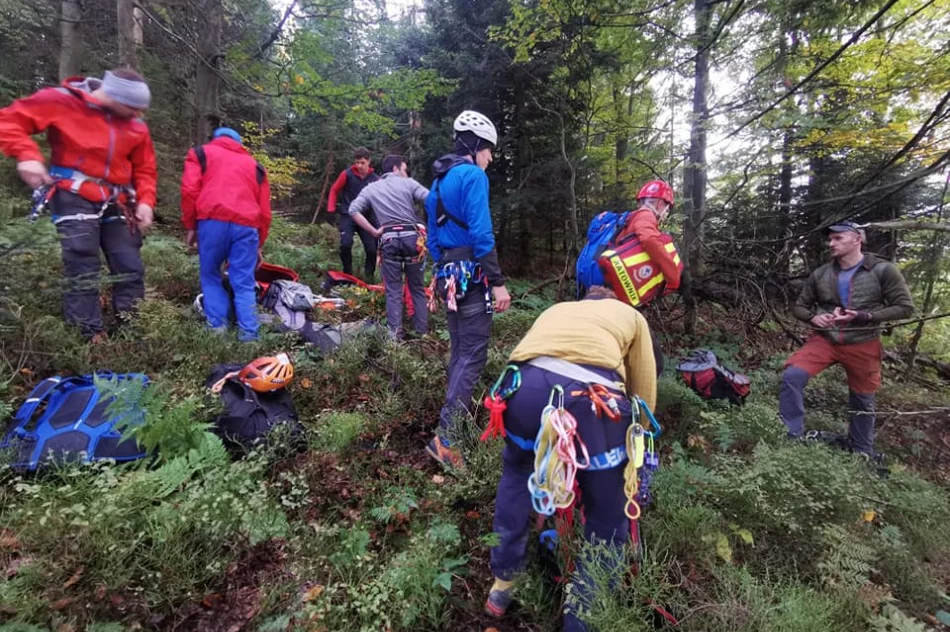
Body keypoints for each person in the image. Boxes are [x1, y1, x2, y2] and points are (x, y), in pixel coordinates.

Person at [483, 285, 656, 631]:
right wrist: (638, 442)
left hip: (521, 392)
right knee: (607, 518)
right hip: (594, 402)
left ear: (587, 300)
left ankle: (503, 584)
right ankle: (581, 619)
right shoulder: (631, 316)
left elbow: (524, 354)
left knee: (517, 474)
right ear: (613, 301)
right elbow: (644, 389)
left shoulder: (558, 309)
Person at [0, 69, 158, 343]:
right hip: (73, 192)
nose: (138, 115)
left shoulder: (136, 126)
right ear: (115, 97)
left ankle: (133, 329)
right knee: (82, 259)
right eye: (133, 108)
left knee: (129, 263)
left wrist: (145, 202)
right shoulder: (61, 101)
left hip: (117, 200)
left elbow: (145, 168)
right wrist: (27, 155)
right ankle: (88, 333)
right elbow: (9, 121)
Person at [780, 221, 914, 457]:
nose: (831, 243)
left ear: (857, 239)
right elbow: (800, 307)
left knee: (862, 398)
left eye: (838, 238)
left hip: (863, 342)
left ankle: (862, 452)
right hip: (825, 340)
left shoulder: (882, 270)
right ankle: (790, 436)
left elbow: (905, 307)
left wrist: (865, 316)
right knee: (793, 376)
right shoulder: (821, 273)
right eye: (830, 239)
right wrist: (813, 318)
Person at [424, 110, 512, 467]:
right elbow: (481, 233)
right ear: (475, 146)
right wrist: (498, 282)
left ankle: (453, 424)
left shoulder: (437, 183)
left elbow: (432, 239)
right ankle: (447, 438)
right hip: (472, 277)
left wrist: (441, 270)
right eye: (488, 149)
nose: (490, 157)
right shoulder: (473, 176)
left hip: (448, 277)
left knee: (460, 351)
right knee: (473, 355)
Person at [180, 127, 272, 342]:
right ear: (239, 143)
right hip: (246, 227)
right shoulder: (256, 166)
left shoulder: (201, 154)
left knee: (211, 275)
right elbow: (265, 212)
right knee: (244, 283)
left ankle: (217, 330)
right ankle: (249, 336)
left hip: (212, 222)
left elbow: (189, 191)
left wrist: (191, 226)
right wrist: (259, 243)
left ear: (216, 139)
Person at [347, 154, 430, 339]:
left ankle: (394, 337)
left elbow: (353, 210)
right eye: (404, 169)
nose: (406, 173)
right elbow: (432, 199)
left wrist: (374, 231)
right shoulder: (408, 183)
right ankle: (422, 334)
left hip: (389, 240)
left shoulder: (371, 188)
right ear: (396, 168)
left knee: (393, 290)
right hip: (412, 239)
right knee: (416, 288)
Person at [612, 179, 681, 375]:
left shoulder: (629, 219)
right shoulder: (645, 216)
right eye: (667, 207)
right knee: (654, 363)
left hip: (613, 292)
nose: (666, 212)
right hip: (621, 300)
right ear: (659, 203)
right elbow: (649, 240)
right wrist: (673, 276)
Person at [328, 147, 380, 279]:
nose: (359, 166)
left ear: (369, 161)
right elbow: (334, 189)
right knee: (345, 244)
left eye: (362, 162)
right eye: (357, 162)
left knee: (371, 249)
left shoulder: (375, 179)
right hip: (348, 215)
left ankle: (368, 277)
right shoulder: (347, 174)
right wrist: (331, 208)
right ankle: (348, 275)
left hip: (366, 218)